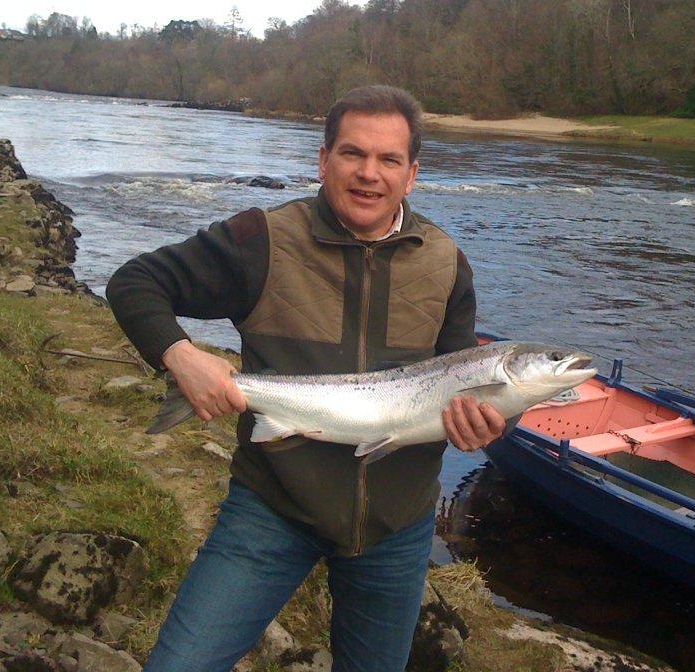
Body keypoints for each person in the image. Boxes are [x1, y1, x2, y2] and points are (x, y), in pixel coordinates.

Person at [106, 85, 505, 672]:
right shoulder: (261, 240)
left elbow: (459, 376)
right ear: (324, 161)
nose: (369, 174)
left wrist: (482, 425)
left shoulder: (447, 263)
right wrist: (182, 355)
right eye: (352, 154)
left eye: (389, 159)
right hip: (273, 507)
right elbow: (135, 282)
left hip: (397, 523)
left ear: (412, 174)